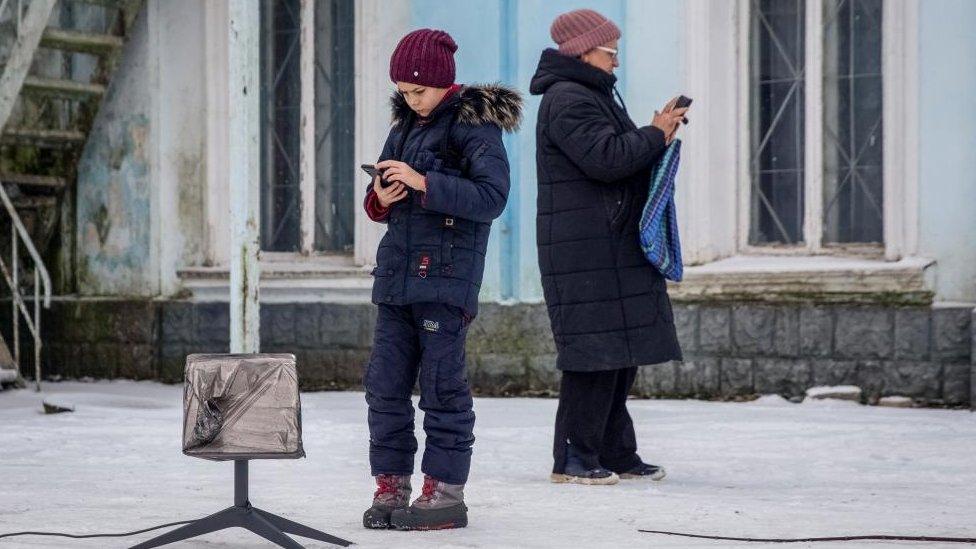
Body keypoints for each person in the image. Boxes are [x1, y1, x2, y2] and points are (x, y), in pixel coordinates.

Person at [360, 28, 522, 530]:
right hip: (397, 278)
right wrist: (382, 197)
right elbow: (382, 202)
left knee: (441, 388)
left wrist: (425, 182)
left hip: (447, 280)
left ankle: (444, 491)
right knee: (384, 387)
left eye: (419, 92)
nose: (411, 101)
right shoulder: (405, 124)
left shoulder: (475, 127)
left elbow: (491, 198)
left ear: (443, 83)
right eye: (404, 93)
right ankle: (392, 484)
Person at [530, 9, 688, 485]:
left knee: (620, 356)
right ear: (583, 51)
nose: (616, 61)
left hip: (607, 244)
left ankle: (617, 452)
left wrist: (655, 135)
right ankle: (574, 458)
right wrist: (656, 132)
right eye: (610, 51)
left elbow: (614, 156)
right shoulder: (568, 99)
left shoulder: (590, 94)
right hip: (585, 252)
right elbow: (606, 160)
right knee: (593, 358)